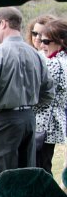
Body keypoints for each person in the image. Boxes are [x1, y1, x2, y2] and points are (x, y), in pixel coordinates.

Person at [0, 7, 55, 190]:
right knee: (26, 178)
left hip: (4, 121)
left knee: (1, 177)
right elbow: (49, 92)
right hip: (28, 120)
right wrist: (29, 104)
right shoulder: (37, 55)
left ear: (3, 24)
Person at [35, 20, 67, 175]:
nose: (41, 45)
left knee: (40, 171)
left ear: (61, 41)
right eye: (41, 41)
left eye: (46, 41)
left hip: (44, 126)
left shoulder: (55, 64)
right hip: (52, 125)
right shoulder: (62, 60)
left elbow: (38, 95)